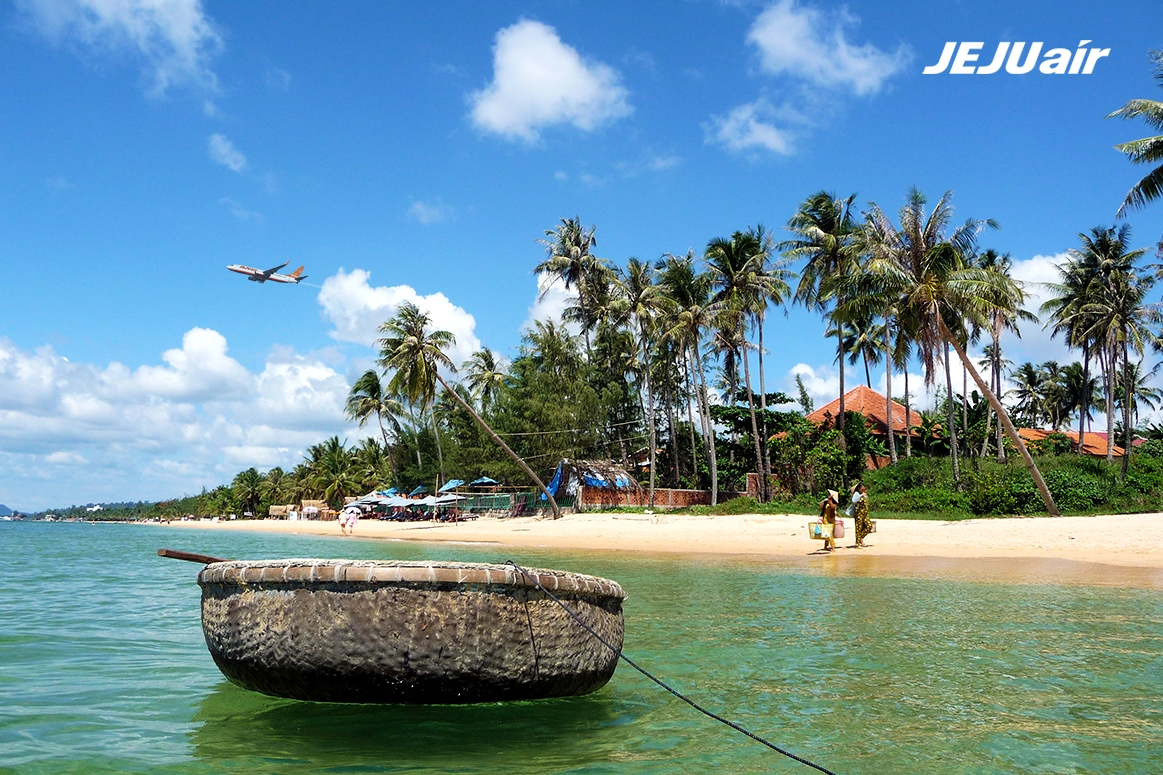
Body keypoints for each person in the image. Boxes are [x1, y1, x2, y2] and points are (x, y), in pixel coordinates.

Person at [852, 482, 872, 548]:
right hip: (859, 514)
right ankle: (857, 543)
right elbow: (854, 500)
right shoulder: (856, 494)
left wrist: (864, 495)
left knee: (869, 526)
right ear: (859, 488)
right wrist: (861, 495)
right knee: (858, 528)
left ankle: (861, 538)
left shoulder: (864, 494)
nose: (863, 489)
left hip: (865, 513)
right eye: (862, 488)